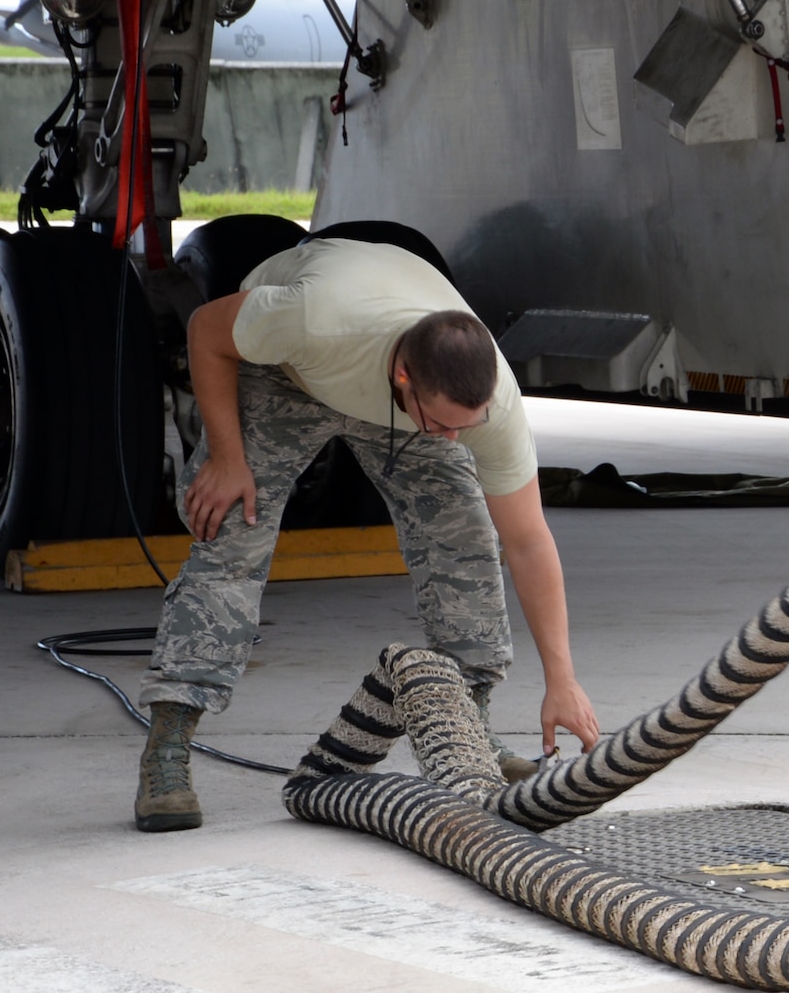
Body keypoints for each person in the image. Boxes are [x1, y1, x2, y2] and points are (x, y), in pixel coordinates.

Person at [132, 237, 599, 832]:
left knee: (466, 539)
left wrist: (562, 679)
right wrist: (227, 456)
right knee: (232, 530)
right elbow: (205, 329)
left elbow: (529, 542)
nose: (453, 440)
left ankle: (468, 728)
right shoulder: (311, 319)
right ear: (405, 375)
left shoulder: (482, 403)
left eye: (467, 425)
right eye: (441, 423)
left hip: (394, 396)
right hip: (291, 373)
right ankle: (169, 745)